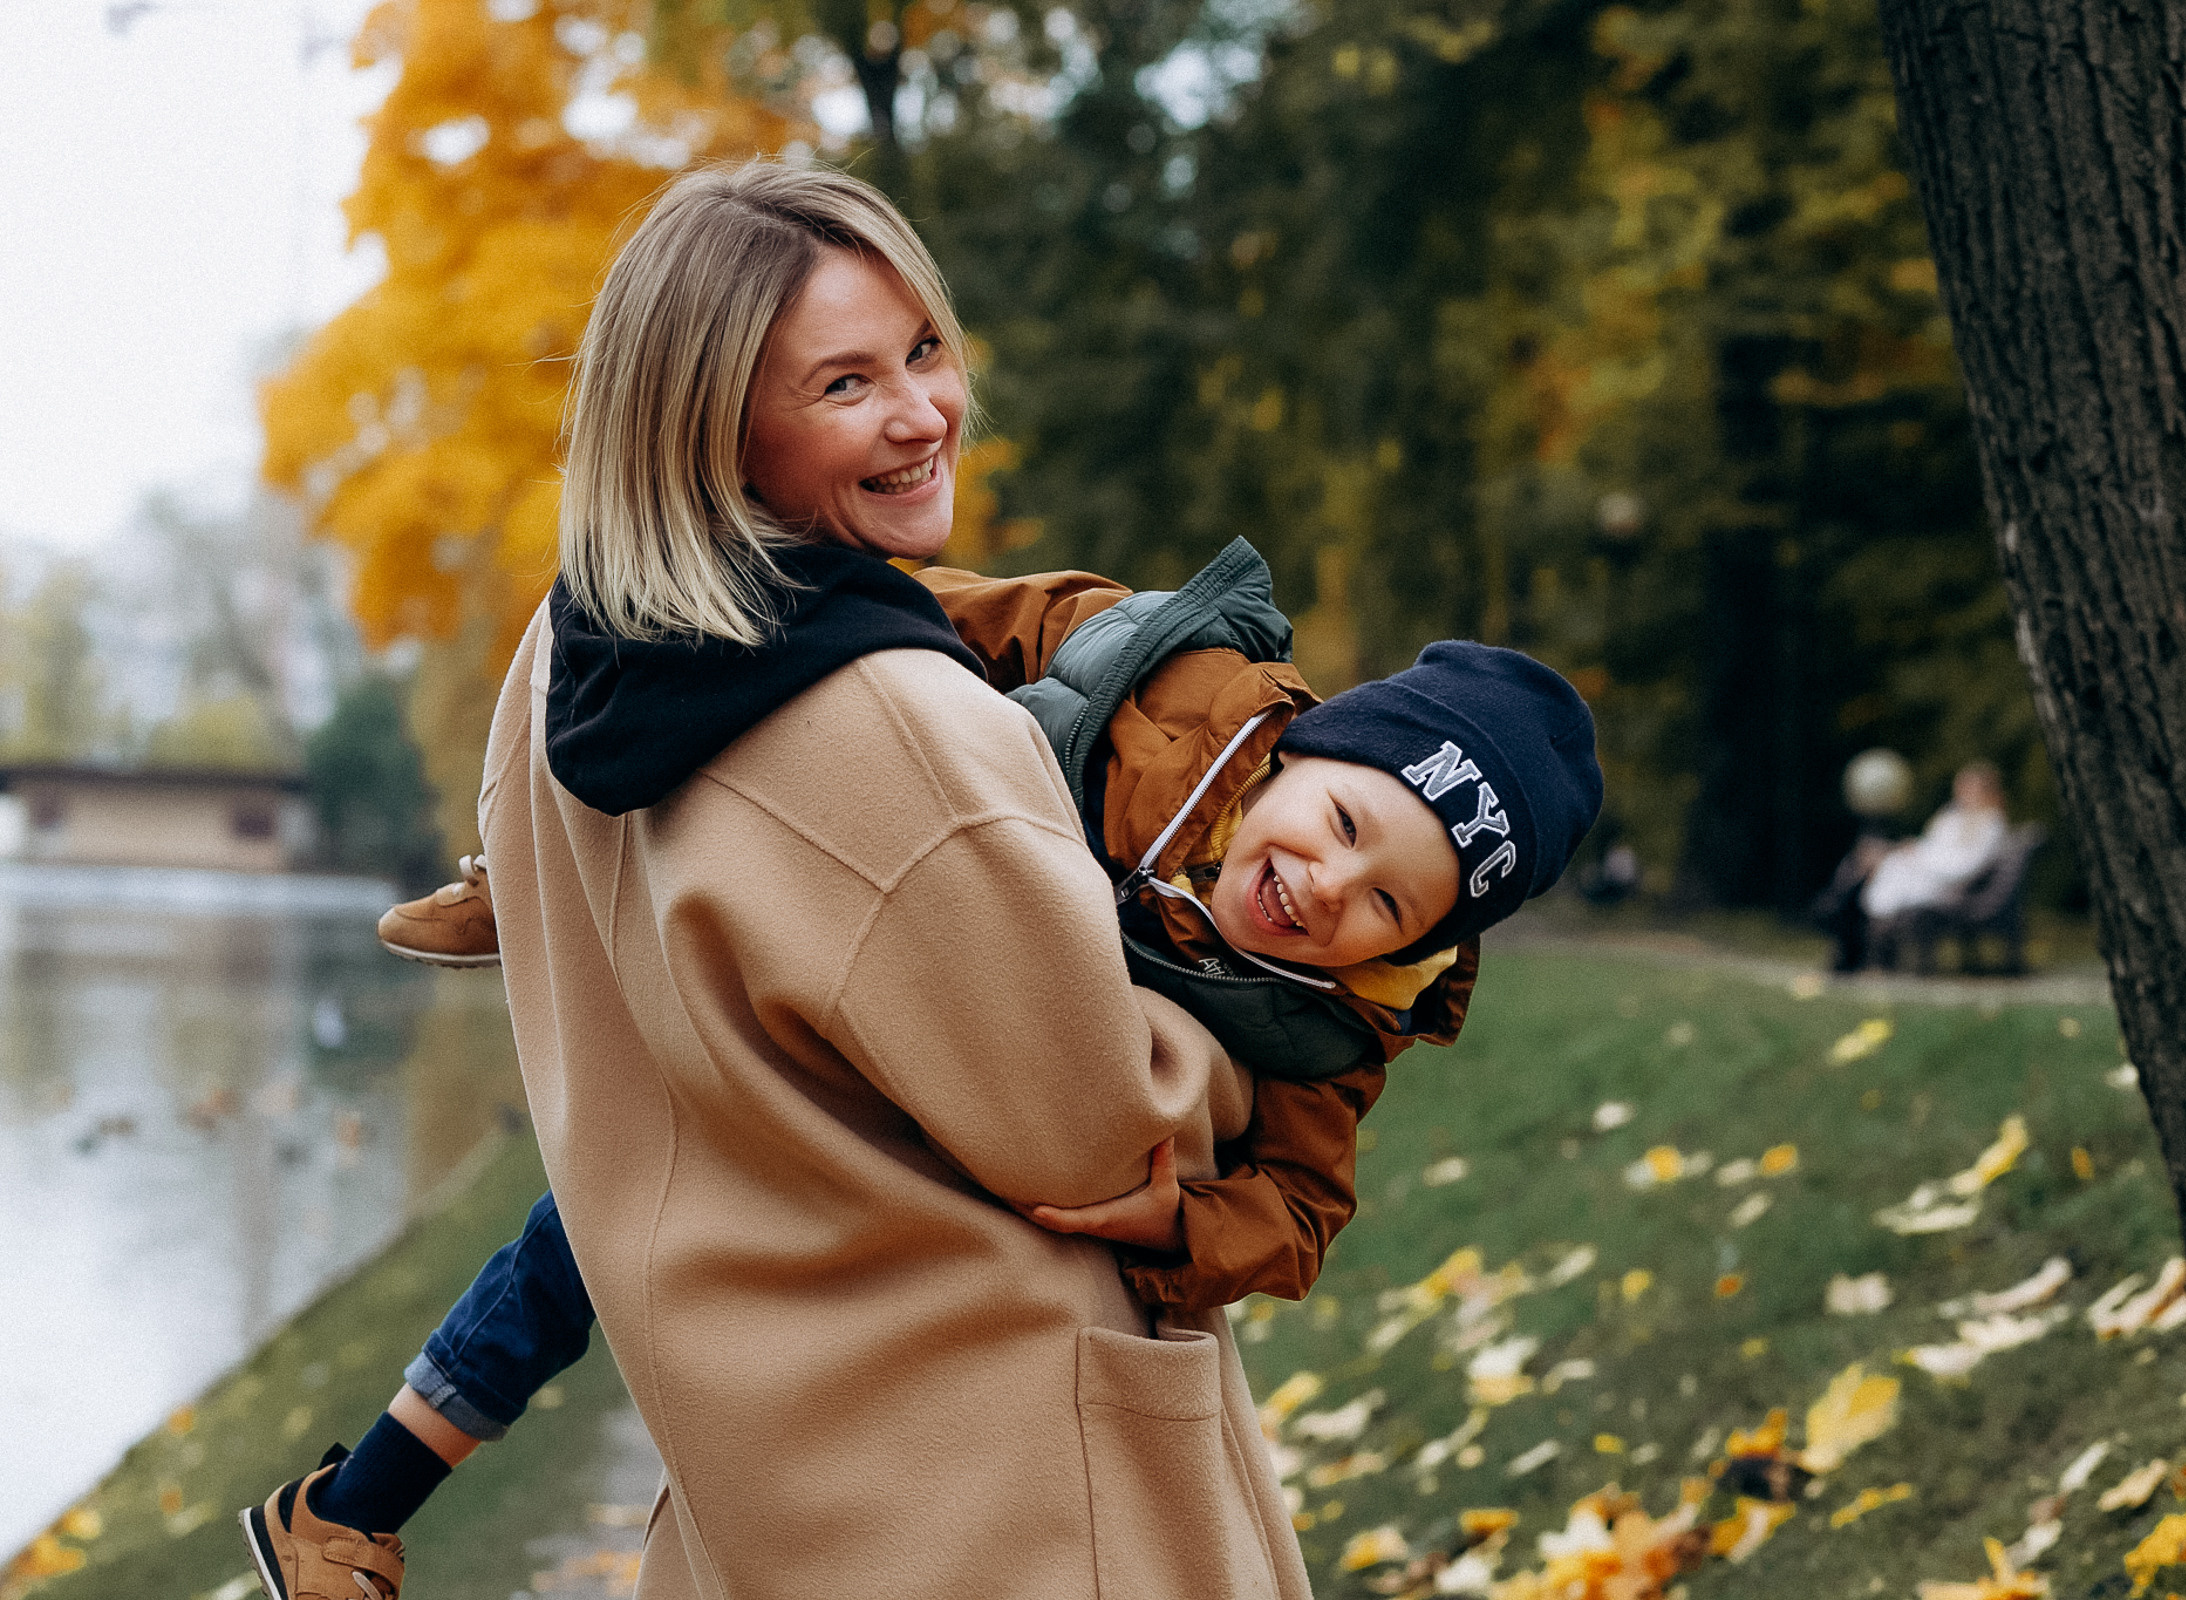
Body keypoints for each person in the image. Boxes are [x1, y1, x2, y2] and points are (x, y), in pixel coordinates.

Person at [238, 159, 1601, 1600]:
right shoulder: (909, 727)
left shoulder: (574, 646)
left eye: (927, 350)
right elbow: (1092, 1134)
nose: (925, 412)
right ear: (711, 422)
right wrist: (1222, 1076)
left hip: (778, 1442)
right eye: (845, 383)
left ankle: (362, 1497)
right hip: (982, 1487)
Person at [1858, 760, 2009, 966]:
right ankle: (1872, 943)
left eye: (1970, 787)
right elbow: (1934, 845)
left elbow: (1967, 866)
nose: (1963, 793)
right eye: (1961, 787)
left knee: (1890, 871)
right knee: (1885, 865)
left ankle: (1875, 947)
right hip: (1935, 874)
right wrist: (1915, 850)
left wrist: (1920, 857)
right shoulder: (1951, 817)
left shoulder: (1990, 822)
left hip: (1957, 887)